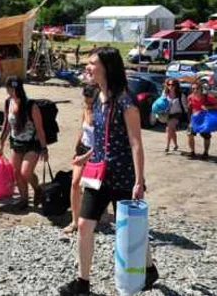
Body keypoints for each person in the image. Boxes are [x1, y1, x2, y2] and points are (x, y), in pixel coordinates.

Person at [59, 47, 158, 296]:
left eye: (92, 63)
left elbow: (135, 143)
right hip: (98, 175)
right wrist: (86, 156)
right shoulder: (99, 98)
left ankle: (149, 268)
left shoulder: (126, 102)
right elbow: (105, 140)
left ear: (107, 68)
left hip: (123, 176)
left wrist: (138, 181)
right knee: (83, 225)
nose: (88, 67)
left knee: (130, 228)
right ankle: (82, 282)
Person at [0, 77, 49, 210]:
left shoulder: (31, 105)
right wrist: (1, 142)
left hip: (32, 144)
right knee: (17, 173)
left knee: (25, 172)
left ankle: (38, 189)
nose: (10, 91)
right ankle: (24, 199)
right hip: (16, 143)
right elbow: (6, 124)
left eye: (12, 88)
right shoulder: (8, 102)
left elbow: (40, 128)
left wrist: (44, 148)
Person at [64, 84, 97, 234]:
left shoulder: (102, 112)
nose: (88, 104)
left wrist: (86, 155)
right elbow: (82, 129)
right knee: (75, 183)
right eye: (86, 101)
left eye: (90, 101)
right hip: (83, 148)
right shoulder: (85, 109)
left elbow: (103, 141)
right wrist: (76, 148)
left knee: (91, 187)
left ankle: (91, 217)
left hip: (96, 152)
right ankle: (74, 220)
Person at [186, 81, 217, 160]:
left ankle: (206, 153)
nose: (195, 90)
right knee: (189, 134)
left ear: (201, 89)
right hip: (194, 119)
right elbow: (189, 109)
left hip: (205, 119)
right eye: (193, 89)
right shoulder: (190, 97)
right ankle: (192, 152)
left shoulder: (208, 97)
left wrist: (208, 107)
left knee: (206, 136)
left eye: (197, 88)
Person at [163, 79, 188, 153]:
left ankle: (167, 146)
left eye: (173, 85)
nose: (171, 86)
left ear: (176, 85)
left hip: (177, 114)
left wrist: (187, 117)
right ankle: (176, 145)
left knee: (169, 129)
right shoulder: (164, 93)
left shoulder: (181, 95)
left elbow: (185, 107)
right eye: (169, 84)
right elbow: (161, 103)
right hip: (167, 114)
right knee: (172, 130)